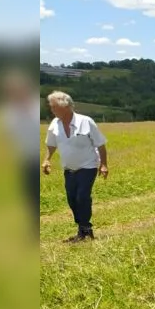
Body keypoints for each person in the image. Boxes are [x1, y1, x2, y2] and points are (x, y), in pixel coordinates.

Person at [42, 91, 109, 242]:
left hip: (88, 166)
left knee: (82, 197)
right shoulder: (54, 124)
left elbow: (101, 144)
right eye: (51, 107)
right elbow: (51, 145)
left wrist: (103, 165)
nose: (52, 110)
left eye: (54, 107)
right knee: (72, 199)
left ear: (65, 106)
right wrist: (47, 160)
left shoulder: (86, 121)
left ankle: (86, 231)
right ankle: (82, 229)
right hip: (69, 169)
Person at [0, 69, 41, 235]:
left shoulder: (35, 109)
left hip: (35, 158)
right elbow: (7, 138)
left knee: (35, 193)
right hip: (22, 159)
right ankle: (33, 228)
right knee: (28, 195)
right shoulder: (8, 113)